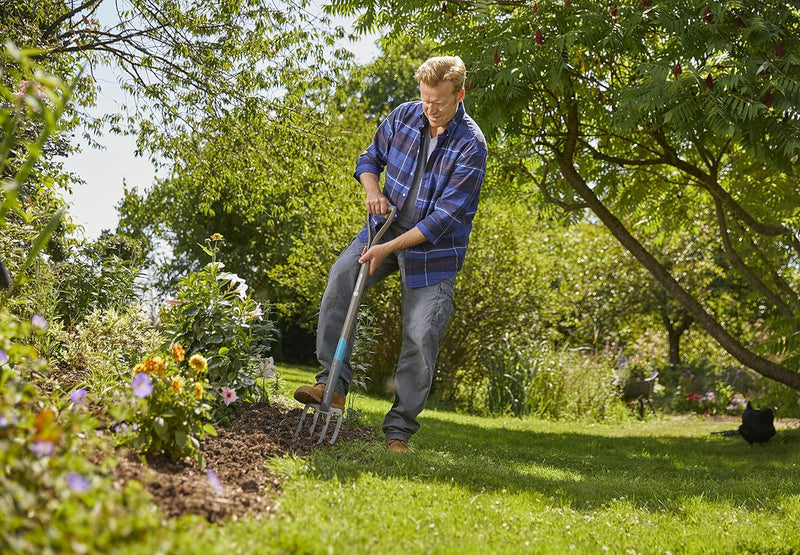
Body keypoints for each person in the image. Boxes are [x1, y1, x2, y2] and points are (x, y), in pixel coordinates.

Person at [294, 55, 488, 452]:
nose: (430, 109)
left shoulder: (471, 146)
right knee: (341, 278)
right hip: (382, 228)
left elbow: (442, 220)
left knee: (421, 334)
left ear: (460, 95)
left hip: (433, 251)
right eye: (425, 99)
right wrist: (373, 190)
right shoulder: (403, 116)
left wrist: (387, 249)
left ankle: (398, 431)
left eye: (439, 102)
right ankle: (331, 385)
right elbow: (369, 159)